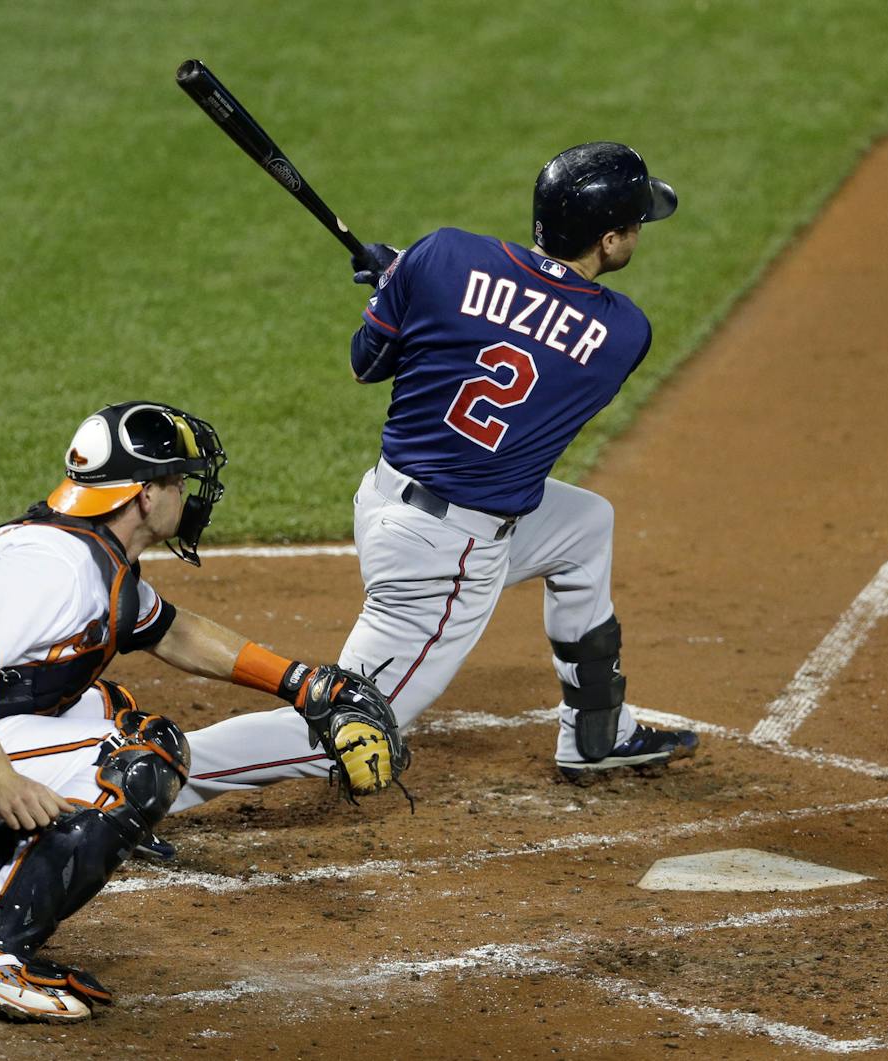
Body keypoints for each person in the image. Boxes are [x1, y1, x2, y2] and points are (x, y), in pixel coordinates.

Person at [0, 400, 401, 1023]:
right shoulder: (57, 565)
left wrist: (303, 683)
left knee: (104, 711)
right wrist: (0, 777)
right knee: (140, 760)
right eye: (179, 480)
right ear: (146, 495)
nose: (191, 493)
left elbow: (173, 632)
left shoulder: (89, 554)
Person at [171, 141, 698, 811]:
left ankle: (597, 733)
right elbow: (531, 333)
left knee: (585, 525)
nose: (639, 234)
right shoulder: (623, 332)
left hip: (391, 500)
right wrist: (412, 287)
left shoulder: (442, 256)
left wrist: (401, 284)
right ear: (609, 238)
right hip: (444, 558)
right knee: (347, 722)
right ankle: (146, 778)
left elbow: (370, 363)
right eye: (635, 225)